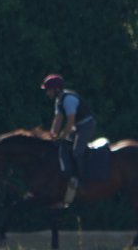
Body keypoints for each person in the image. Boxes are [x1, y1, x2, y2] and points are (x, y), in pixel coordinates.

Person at [41, 73, 96, 204]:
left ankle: (83, 182)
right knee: (63, 147)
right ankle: (69, 175)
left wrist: (62, 136)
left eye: (49, 90)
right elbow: (58, 119)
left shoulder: (68, 100)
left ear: (56, 89)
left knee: (77, 152)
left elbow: (70, 121)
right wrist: (53, 135)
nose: (47, 93)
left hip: (86, 125)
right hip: (77, 126)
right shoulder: (59, 100)